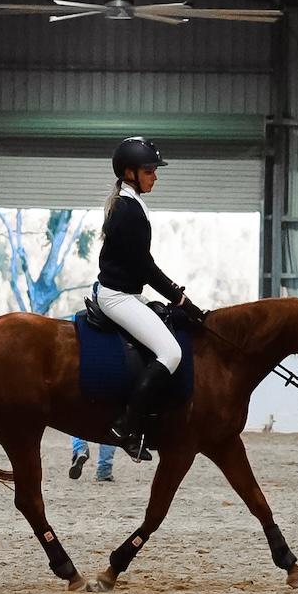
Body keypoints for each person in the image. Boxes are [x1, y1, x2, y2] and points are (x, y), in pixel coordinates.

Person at [96, 136, 205, 461]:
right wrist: (181, 299)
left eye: (154, 170)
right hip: (117, 297)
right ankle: (126, 426)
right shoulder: (128, 210)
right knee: (170, 352)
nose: (155, 176)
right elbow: (144, 267)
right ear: (130, 173)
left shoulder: (130, 204)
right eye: (149, 170)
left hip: (126, 293)